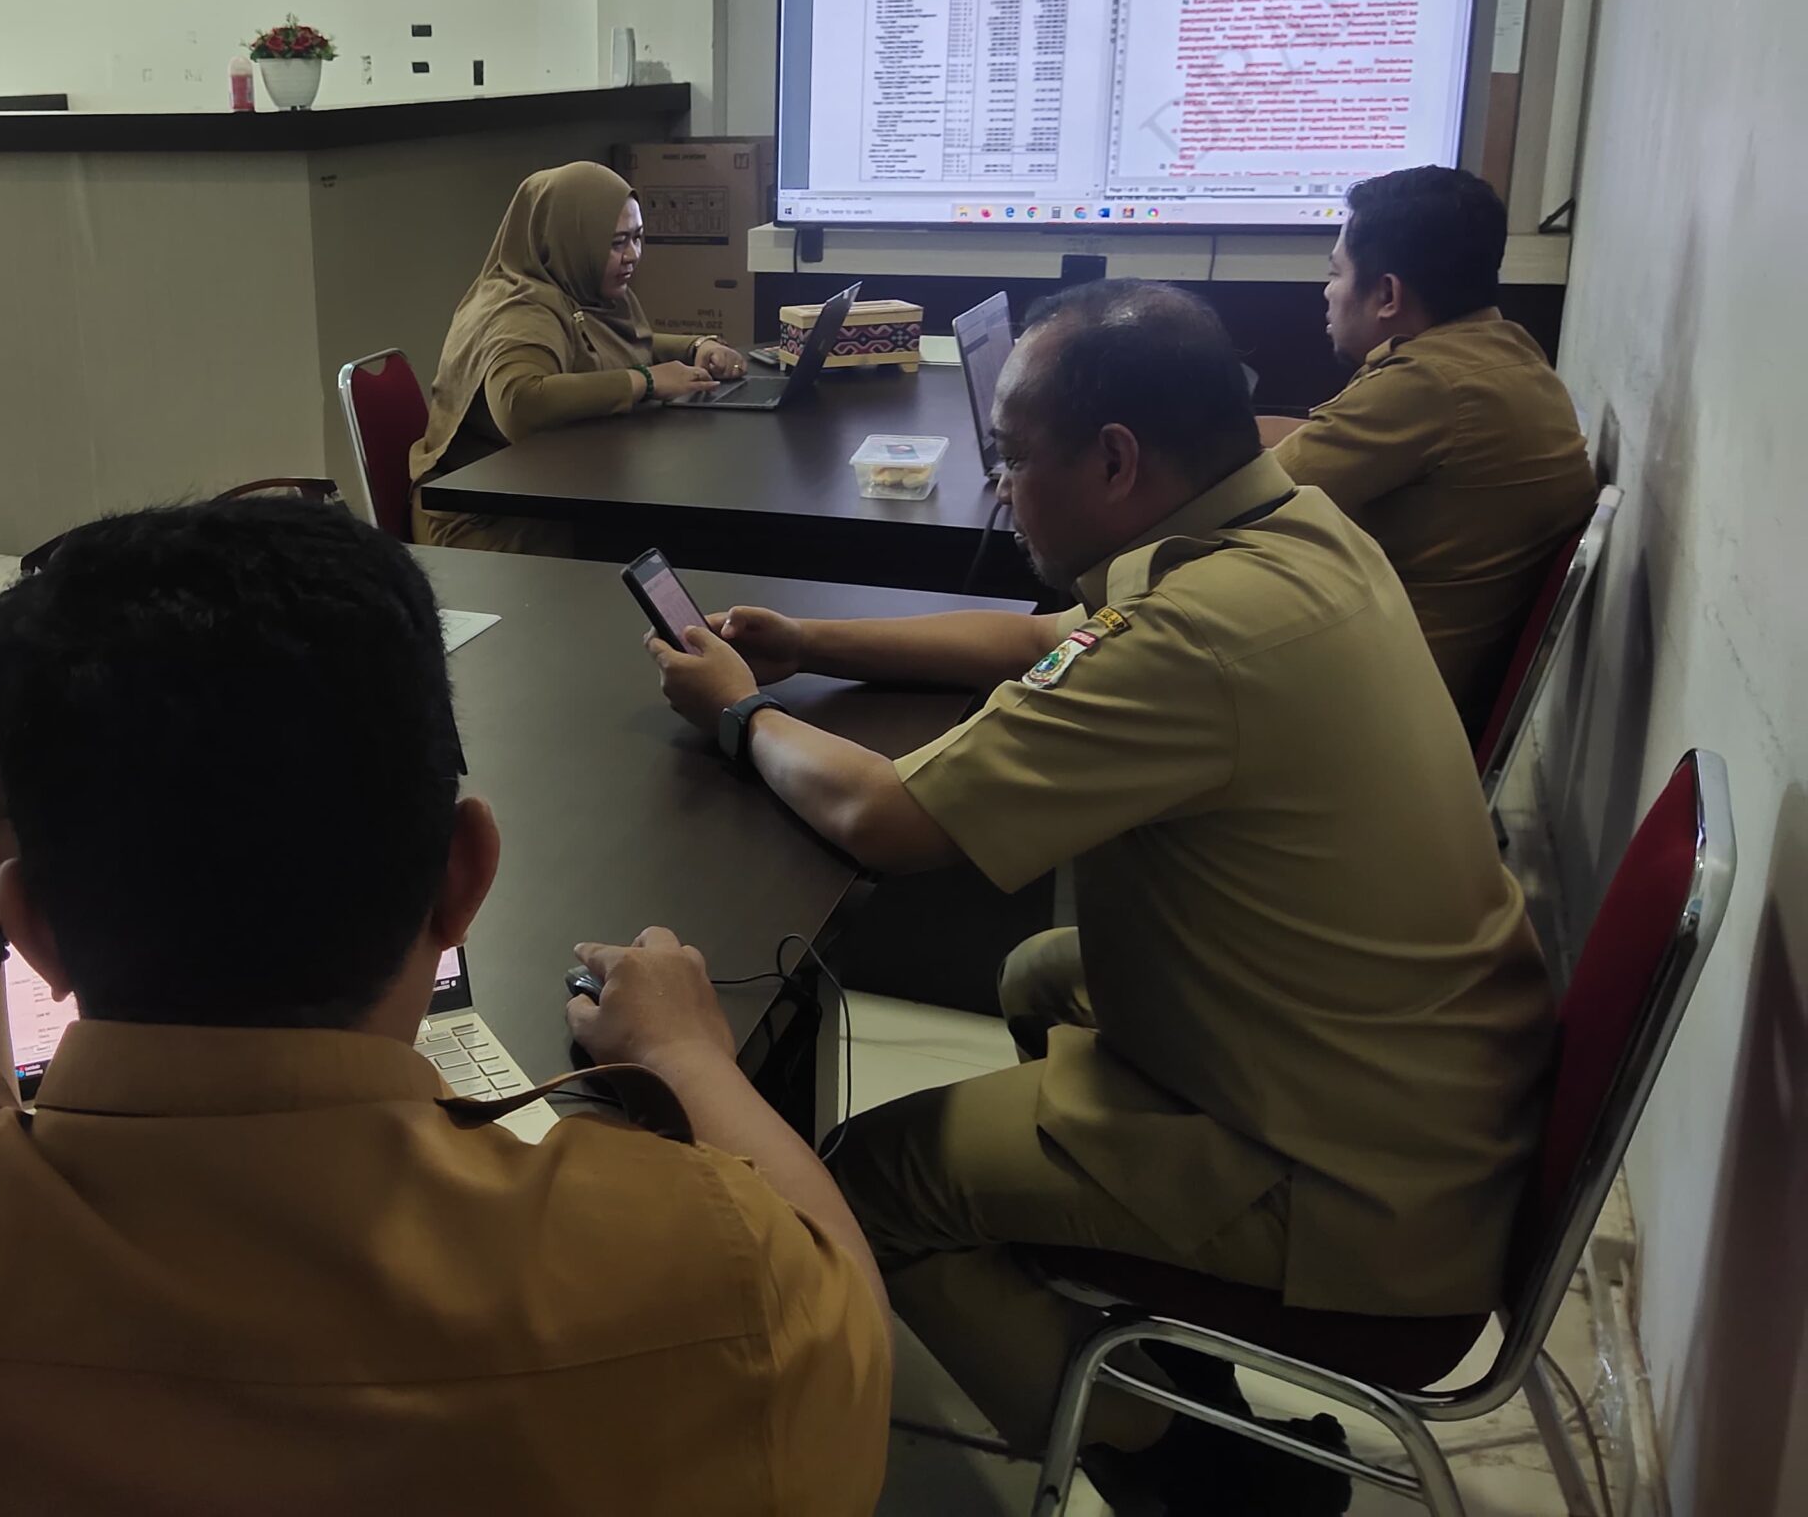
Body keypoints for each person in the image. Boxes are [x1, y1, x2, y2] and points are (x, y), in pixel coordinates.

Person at [0, 496, 890, 1515]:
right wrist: (690, 1057)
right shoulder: (722, 1290)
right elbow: (846, 1317)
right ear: (464, 877)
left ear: (27, 930)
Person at [648, 281, 1554, 1514]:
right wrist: (811, 641)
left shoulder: (1199, 638)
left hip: (1357, 1189)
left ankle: (1186, 1469)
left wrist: (739, 712)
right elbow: (1049, 642)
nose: (1001, 490)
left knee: (867, 1180)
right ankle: (1149, 1329)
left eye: (1013, 460)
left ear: (1117, 461)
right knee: (1039, 973)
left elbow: (885, 819)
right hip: (1416, 1084)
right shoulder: (1294, 533)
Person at [1261, 165, 1596, 729]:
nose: (1327, 292)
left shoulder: (1426, 384)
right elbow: (1318, 442)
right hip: (1427, 692)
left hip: (1371, 709)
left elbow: (1244, 500)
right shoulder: (1503, 352)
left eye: (1336, 273)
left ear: (1387, 294)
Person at [408, 161, 746, 552]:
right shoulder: (520, 310)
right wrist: (646, 380)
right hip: (488, 522)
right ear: (568, 241)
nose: (632, 255)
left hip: (547, 492)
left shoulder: (577, 289)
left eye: (638, 237)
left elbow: (603, 346)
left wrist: (694, 347)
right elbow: (519, 400)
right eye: (616, 243)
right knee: (691, 539)